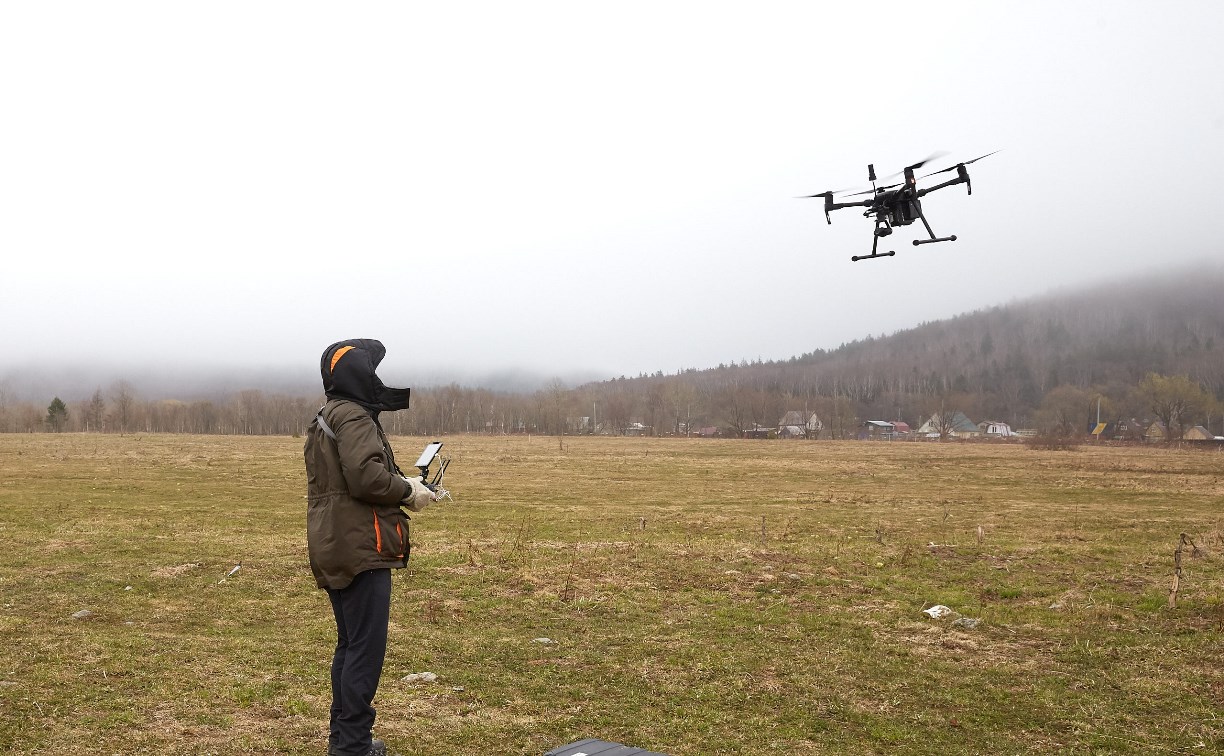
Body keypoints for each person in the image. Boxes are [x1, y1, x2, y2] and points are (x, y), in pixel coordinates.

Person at [304, 339, 437, 756]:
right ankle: (353, 748)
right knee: (364, 650)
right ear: (359, 375)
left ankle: (345, 742)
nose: (378, 380)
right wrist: (409, 489)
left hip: (334, 542)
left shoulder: (328, 414)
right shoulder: (355, 417)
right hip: (362, 546)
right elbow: (366, 479)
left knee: (350, 645)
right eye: (372, 370)